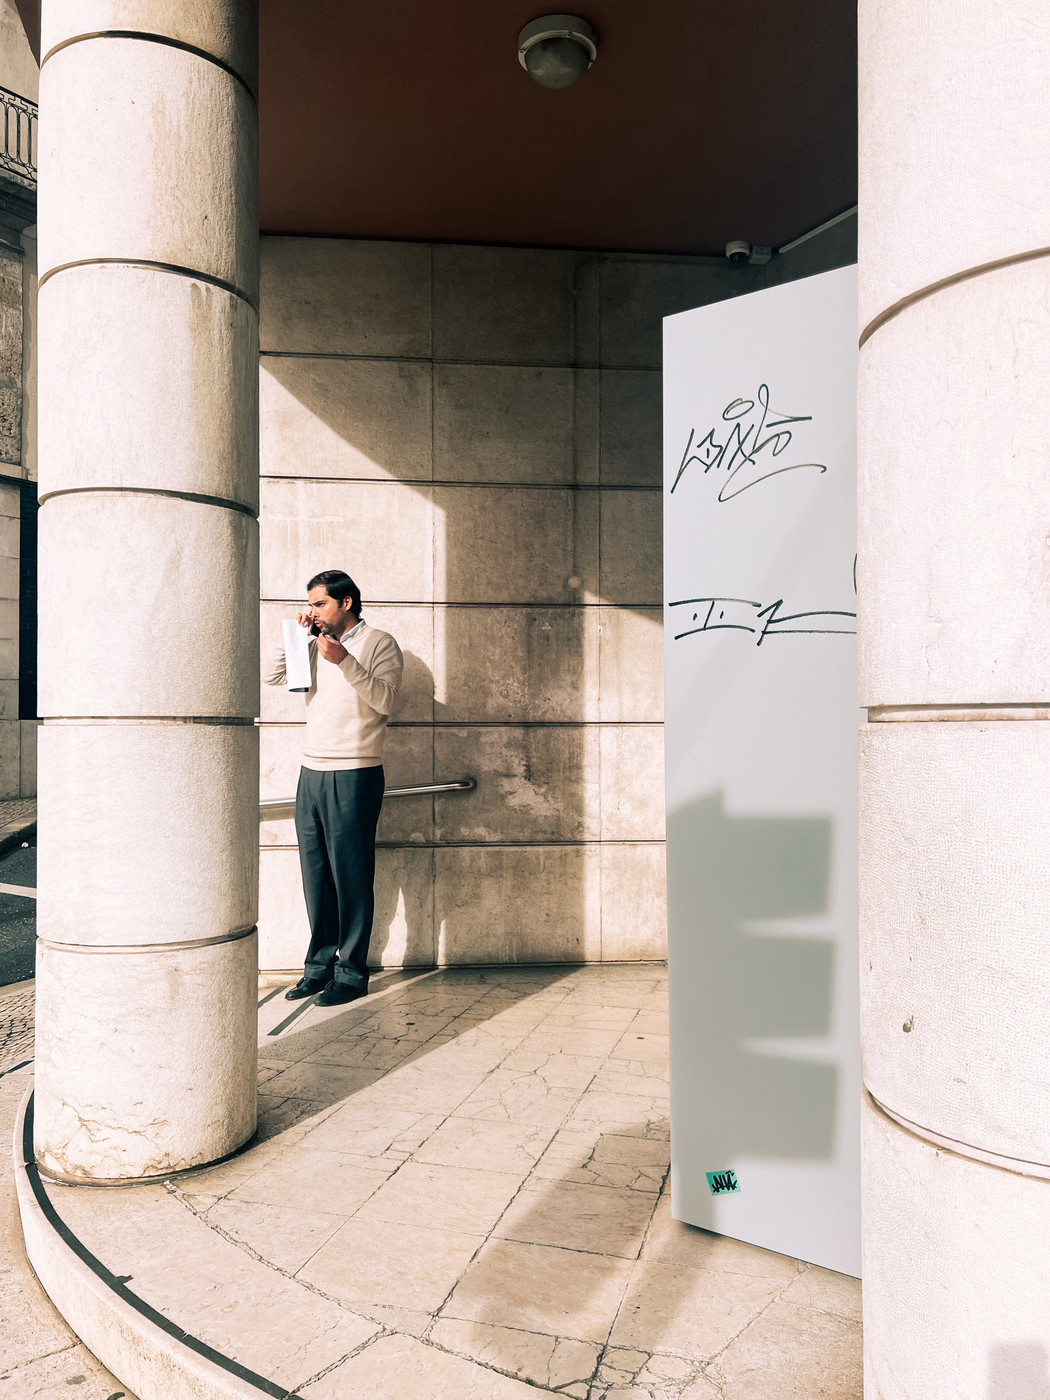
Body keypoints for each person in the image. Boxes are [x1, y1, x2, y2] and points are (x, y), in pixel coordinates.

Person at [263, 570, 403, 1006]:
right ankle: (318, 968)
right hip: (312, 771)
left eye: (319, 603)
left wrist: (344, 660)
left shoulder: (379, 643)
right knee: (317, 875)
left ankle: (352, 972)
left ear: (345, 602)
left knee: (352, 875)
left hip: (356, 770)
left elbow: (386, 701)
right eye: (310, 604)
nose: (312, 611)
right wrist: (293, 635)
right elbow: (273, 678)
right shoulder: (312, 642)